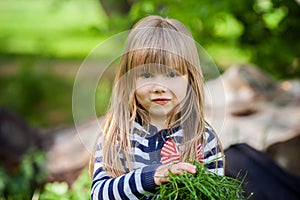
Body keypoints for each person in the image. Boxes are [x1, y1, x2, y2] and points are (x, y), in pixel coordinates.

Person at [90, 15, 224, 199]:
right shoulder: (117, 136)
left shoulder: (203, 138)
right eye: (146, 75)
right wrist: (151, 178)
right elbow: (99, 194)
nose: (160, 88)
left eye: (171, 74)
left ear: (190, 79)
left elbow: (215, 193)